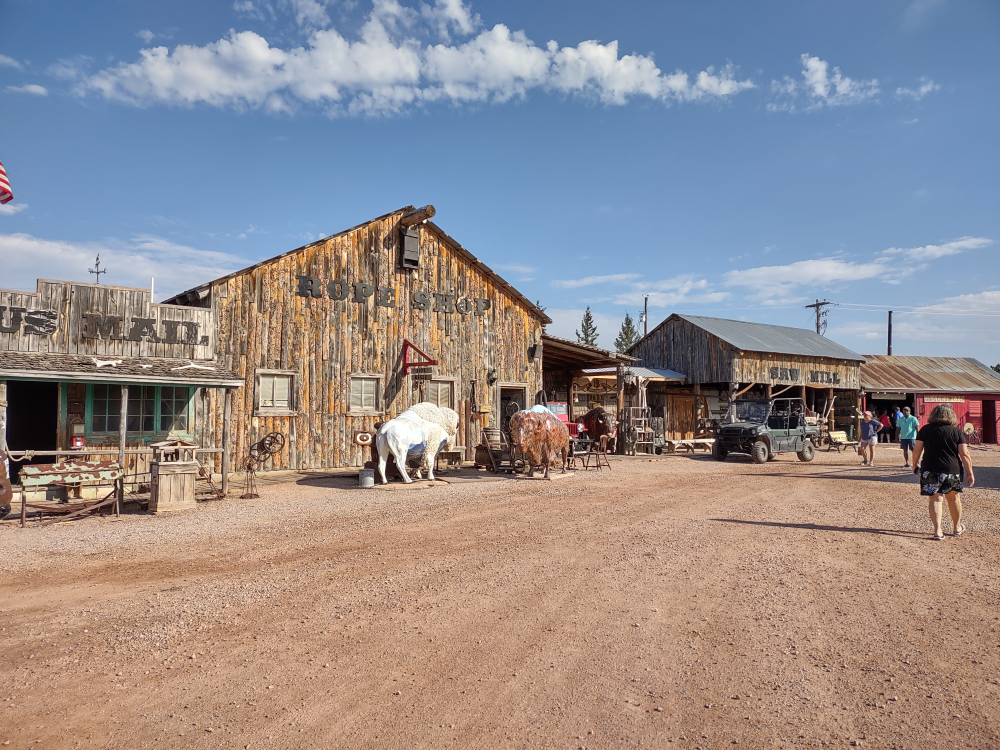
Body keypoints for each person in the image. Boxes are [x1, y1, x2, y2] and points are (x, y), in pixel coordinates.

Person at [912, 404, 975, 540]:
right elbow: (964, 454)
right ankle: (957, 527)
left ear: (933, 415)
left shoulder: (925, 430)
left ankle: (938, 531)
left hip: (930, 469)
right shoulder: (956, 432)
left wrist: (914, 464)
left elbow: (917, 450)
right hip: (952, 470)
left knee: (935, 498)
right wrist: (970, 472)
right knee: (953, 498)